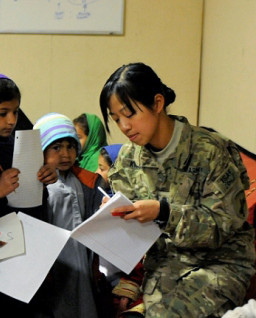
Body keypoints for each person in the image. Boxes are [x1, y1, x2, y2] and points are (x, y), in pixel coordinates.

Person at [99, 62, 255, 317]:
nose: (124, 126)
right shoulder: (128, 160)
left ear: (157, 103)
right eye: (116, 119)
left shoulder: (210, 150)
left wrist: (163, 213)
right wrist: (115, 216)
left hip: (219, 263)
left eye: (130, 114)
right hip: (164, 265)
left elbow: (224, 225)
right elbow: (137, 234)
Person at [0, 72, 57, 317]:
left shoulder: (23, 142)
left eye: (16, 112)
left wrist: (46, 178)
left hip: (28, 249)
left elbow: (35, 200)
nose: (12, 120)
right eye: (2, 113)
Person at [33, 112, 103, 318]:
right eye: (56, 147)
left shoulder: (86, 181)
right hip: (51, 261)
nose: (65, 154)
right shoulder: (35, 183)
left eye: (70, 146)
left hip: (80, 260)